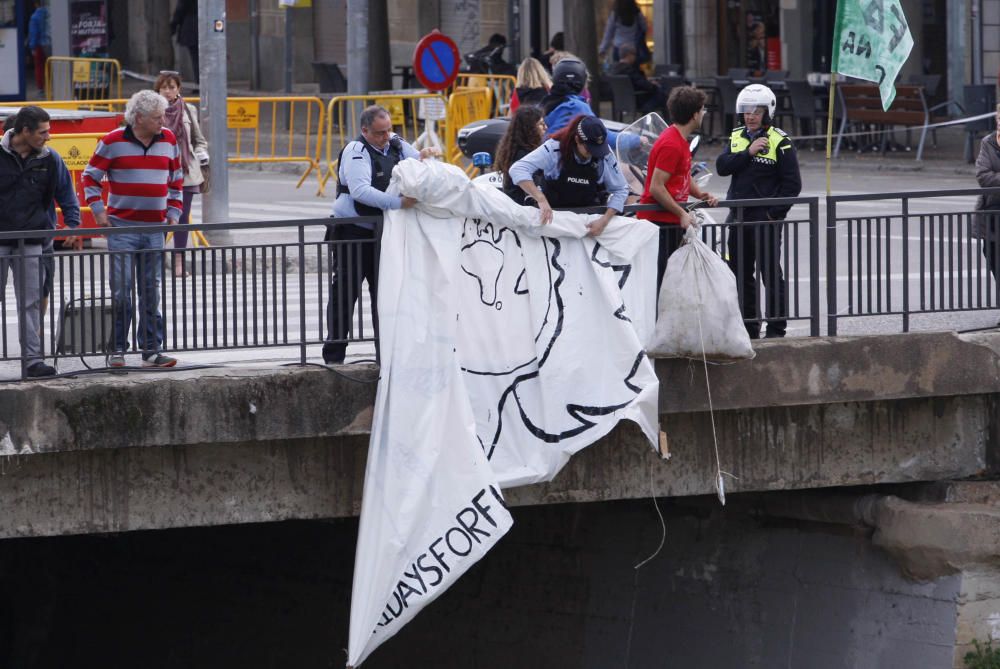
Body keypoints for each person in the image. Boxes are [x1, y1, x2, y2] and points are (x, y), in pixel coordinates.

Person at [323, 105, 439, 365]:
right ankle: (334, 357)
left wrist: (425, 155)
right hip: (352, 232)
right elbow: (361, 191)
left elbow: (416, 161)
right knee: (344, 294)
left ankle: (385, 356)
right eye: (379, 133)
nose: (386, 137)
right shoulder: (356, 151)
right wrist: (399, 203)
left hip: (382, 234)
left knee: (385, 296)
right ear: (365, 131)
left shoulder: (394, 143)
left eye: (389, 130)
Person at [82, 90, 183, 368]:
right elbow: (89, 176)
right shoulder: (113, 141)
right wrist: (99, 212)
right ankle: (117, 349)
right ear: (138, 118)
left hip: (155, 228)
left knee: (151, 290)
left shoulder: (169, 139)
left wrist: (173, 213)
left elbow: (176, 179)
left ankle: (152, 348)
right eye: (157, 117)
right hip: (122, 228)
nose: (163, 121)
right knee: (121, 290)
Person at [716, 83, 802, 339]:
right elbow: (723, 166)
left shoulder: (781, 141)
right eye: (746, 111)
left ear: (767, 112)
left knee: (770, 275)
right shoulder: (736, 136)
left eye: (755, 111)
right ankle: (749, 327)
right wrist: (747, 152)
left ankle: (776, 329)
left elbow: (792, 185)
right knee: (740, 275)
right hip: (738, 219)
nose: (750, 116)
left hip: (765, 221)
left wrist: (772, 214)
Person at [0, 106, 80, 378]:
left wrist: (72, 224)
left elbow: (66, 192)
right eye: (43, 132)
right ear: (25, 131)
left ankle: (32, 361)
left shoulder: (50, 159)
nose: (49, 137)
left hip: (33, 239)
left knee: (31, 302)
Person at [637, 86, 718, 290]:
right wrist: (681, 212)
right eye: (702, 110)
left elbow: (682, 173)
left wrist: (699, 194)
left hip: (669, 221)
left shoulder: (678, 138)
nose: (704, 114)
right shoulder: (671, 144)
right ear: (694, 115)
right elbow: (657, 187)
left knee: (671, 282)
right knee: (661, 282)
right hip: (659, 223)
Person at [508, 114, 628, 237]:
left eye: (597, 149)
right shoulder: (554, 148)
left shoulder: (604, 154)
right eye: (589, 149)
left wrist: (604, 221)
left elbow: (621, 189)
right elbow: (517, 169)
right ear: (577, 140)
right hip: (553, 221)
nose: (594, 153)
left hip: (587, 223)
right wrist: (541, 199)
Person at [155, 70, 208, 278]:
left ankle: (178, 261)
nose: (168, 91)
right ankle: (157, 259)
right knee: (159, 216)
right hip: (160, 171)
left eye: (172, 87)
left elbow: (198, 138)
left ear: (178, 89)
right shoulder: (151, 110)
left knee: (181, 217)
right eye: (164, 87)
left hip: (185, 171)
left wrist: (202, 153)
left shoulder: (188, 109)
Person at [495, 106, 547, 205]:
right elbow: (532, 194)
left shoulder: (515, 149)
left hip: (514, 207)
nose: (546, 128)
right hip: (522, 211)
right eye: (541, 124)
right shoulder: (524, 156)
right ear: (529, 128)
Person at [973, 103, 1000, 287]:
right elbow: (983, 176)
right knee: (992, 256)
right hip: (992, 212)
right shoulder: (988, 142)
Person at [612, 43, 666, 116]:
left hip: (621, 101)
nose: (635, 57)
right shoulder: (629, 70)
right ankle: (668, 122)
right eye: (634, 54)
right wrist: (653, 85)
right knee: (662, 94)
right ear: (629, 55)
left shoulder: (614, 70)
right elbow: (642, 84)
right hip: (637, 99)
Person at [599, 0, 648, 64]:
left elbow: (608, 33)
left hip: (618, 49)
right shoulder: (636, 13)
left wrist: (603, 49)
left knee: (618, 71)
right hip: (632, 49)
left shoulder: (615, 15)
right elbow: (644, 28)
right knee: (633, 71)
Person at [170, 0, 199, 79]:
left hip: (191, 28)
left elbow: (179, 11)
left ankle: (198, 83)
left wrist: (173, 27)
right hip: (205, 27)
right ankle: (200, 83)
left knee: (195, 58)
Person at [27, 1, 51, 95]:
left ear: (35, 4)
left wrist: (32, 47)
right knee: (49, 66)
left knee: (39, 67)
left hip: (39, 46)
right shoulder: (49, 15)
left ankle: (41, 89)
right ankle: (50, 86)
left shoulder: (34, 17)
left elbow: (34, 34)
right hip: (49, 43)